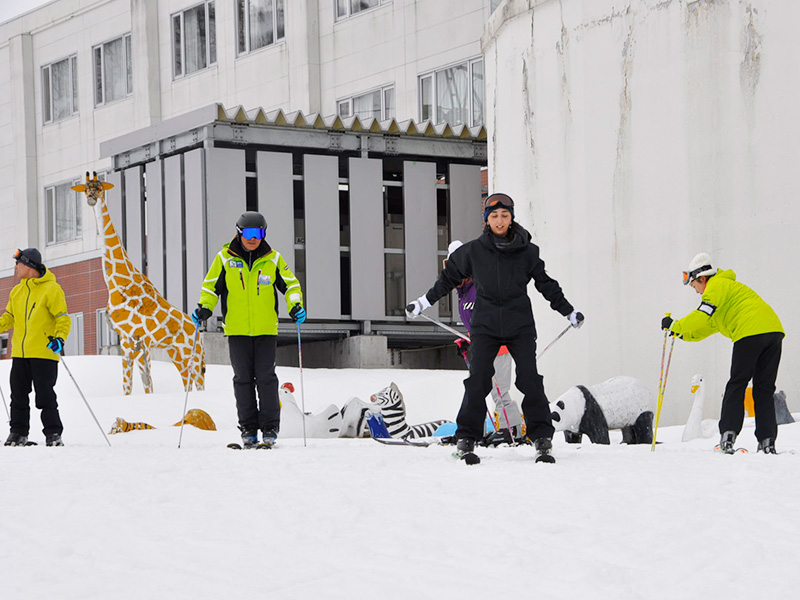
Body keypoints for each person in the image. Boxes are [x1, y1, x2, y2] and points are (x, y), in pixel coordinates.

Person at [406, 193, 584, 463]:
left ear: (511, 217)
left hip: (520, 325)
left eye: (504, 215)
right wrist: (423, 302)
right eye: (494, 216)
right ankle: (467, 436)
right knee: (478, 379)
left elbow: (546, 284)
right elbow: (448, 279)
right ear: (486, 220)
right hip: (486, 325)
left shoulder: (527, 252)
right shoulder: (473, 251)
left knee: (529, 379)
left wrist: (568, 310)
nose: (500, 220)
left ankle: (541, 437)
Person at [192, 212, 305, 449]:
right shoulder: (224, 259)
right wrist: (204, 308)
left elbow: (291, 284)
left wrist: (296, 305)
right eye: (249, 234)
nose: (254, 239)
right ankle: (248, 429)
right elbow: (211, 288)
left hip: (265, 330)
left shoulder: (273, 259)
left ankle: (270, 429)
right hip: (237, 331)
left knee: (266, 379)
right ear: (239, 233)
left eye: (259, 233)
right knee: (242, 380)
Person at [662, 252, 784, 454]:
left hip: (750, 331)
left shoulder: (716, 286)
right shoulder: (727, 295)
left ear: (702, 278)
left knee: (737, 383)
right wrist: (679, 333)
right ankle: (767, 442)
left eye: (695, 286)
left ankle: (727, 437)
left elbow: (701, 315)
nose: (697, 292)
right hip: (773, 332)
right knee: (763, 389)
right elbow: (704, 327)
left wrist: (676, 324)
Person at [447, 240, 524, 442]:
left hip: (499, 346)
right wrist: (468, 341)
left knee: (499, 391)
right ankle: (472, 433)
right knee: (476, 391)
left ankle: (511, 431)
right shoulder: (463, 293)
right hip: (482, 347)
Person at [0, 248, 71, 447]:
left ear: (29, 265)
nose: (15, 268)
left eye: (18, 264)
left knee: (45, 395)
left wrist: (59, 339)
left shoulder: (52, 289)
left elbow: (62, 318)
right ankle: (18, 433)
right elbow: (9, 318)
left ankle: (53, 434)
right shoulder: (17, 291)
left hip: (44, 352)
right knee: (18, 394)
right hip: (21, 354)